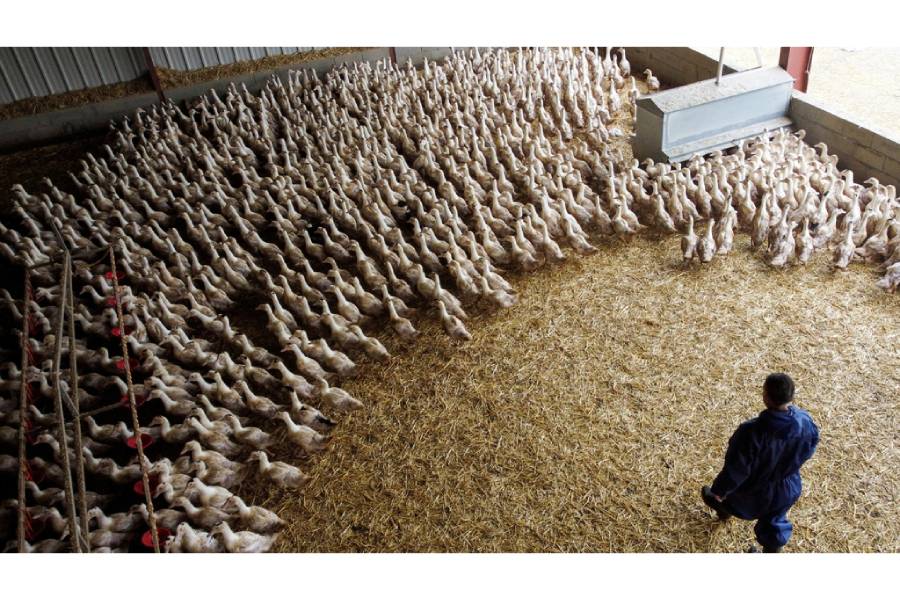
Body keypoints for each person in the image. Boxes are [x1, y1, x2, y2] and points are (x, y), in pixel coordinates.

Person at [701, 373, 819, 552]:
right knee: (774, 522)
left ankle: (722, 506)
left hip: (755, 491)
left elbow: (737, 469)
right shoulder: (805, 421)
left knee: (732, 499)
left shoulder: (751, 432)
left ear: (765, 397)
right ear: (792, 396)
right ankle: (772, 551)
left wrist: (719, 490)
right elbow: (809, 449)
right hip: (788, 487)